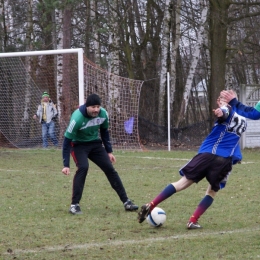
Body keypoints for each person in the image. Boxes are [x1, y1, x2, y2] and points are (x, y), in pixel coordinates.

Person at [137, 94, 247, 228]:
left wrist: (221, 111)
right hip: (223, 161)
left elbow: (225, 112)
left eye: (223, 98)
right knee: (211, 192)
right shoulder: (243, 120)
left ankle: (151, 204)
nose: (220, 101)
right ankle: (193, 221)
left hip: (207, 155)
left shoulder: (227, 110)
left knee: (181, 183)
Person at [185, 89, 260, 229]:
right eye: (221, 98)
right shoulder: (231, 112)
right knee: (204, 188)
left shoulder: (232, 111)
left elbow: (252, 113)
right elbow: (253, 113)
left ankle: (192, 219)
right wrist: (227, 107)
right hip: (221, 157)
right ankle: (192, 219)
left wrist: (231, 105)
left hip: (223, 158)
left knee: (209, 189)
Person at [61, 93, 138, 214]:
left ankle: (126, 202)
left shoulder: (103, 114)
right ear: (87, 106)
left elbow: (104, 132)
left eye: (98, 106)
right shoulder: (77, 118)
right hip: (78, 145)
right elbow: (66, 142)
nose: (96, 109)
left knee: (110, 169)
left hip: (95, 144)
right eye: (93, 107)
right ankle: (74, 205)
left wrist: (109, 151)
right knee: (83, 168)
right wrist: (66, 164)